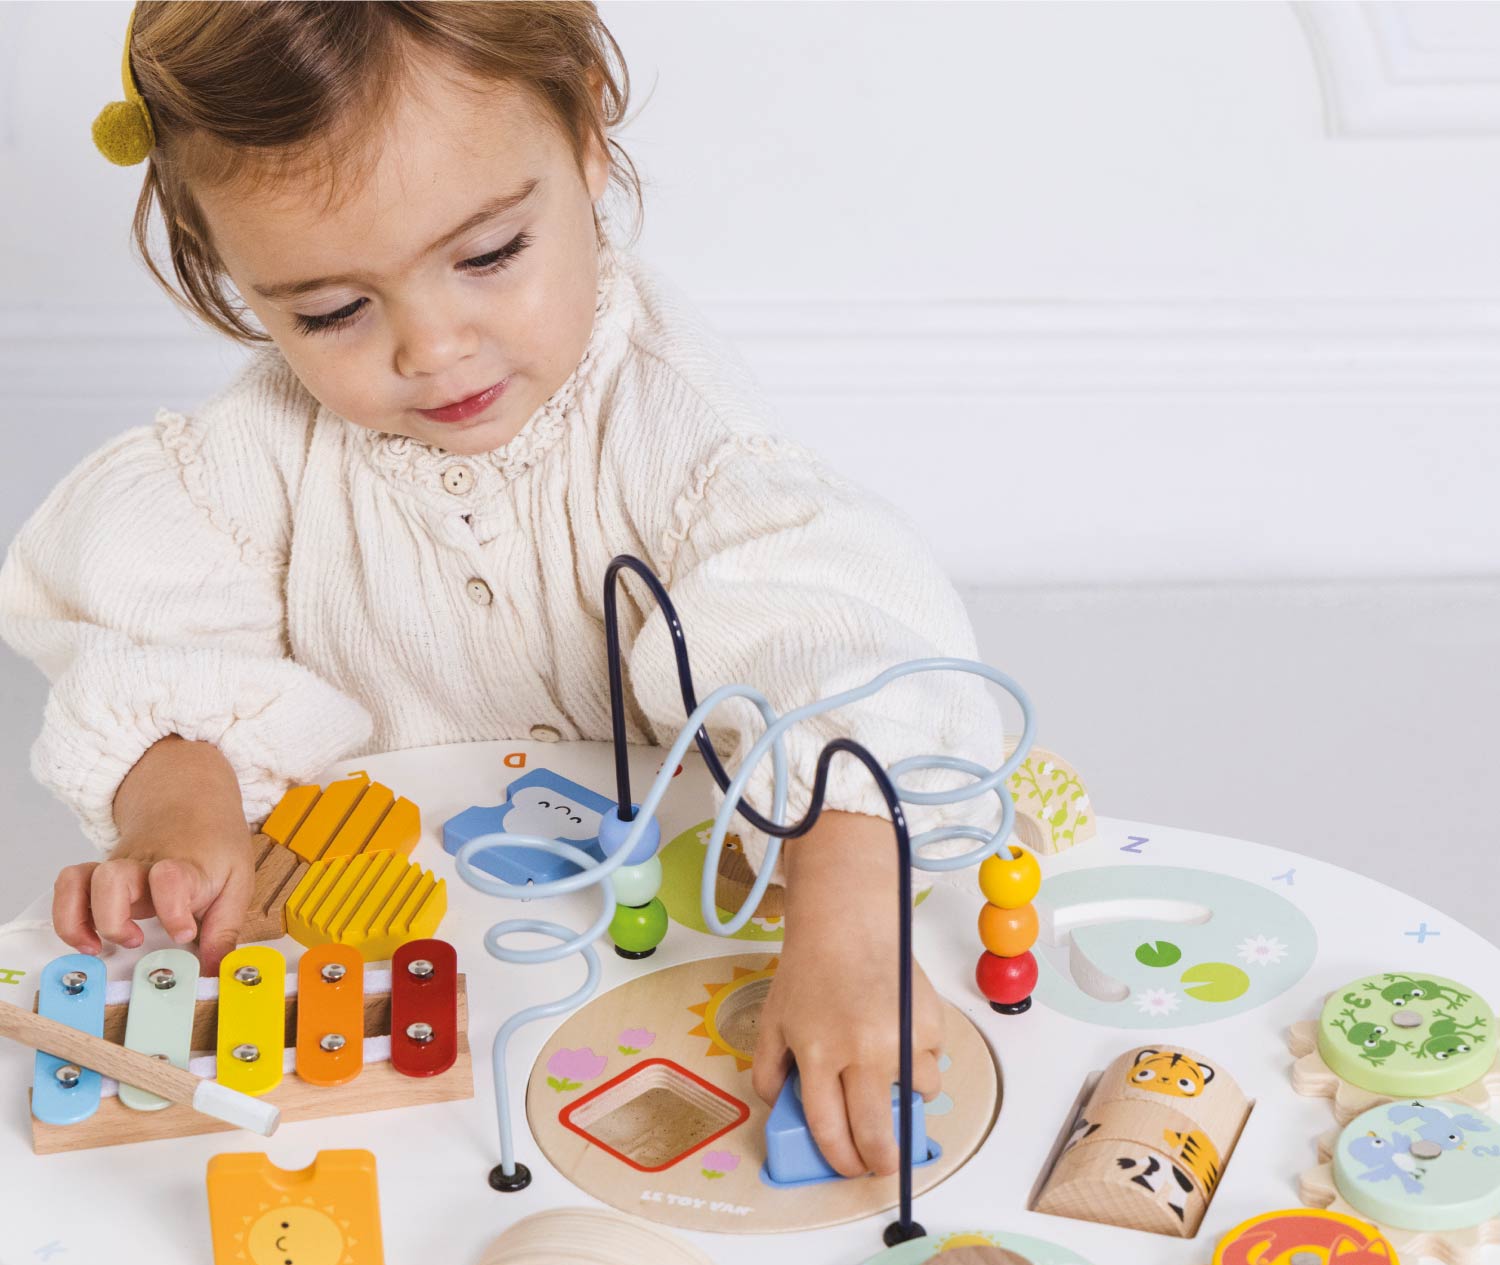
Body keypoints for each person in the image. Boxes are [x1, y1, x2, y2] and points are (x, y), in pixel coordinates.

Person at [0, 1, 1003, 1180]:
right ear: (228, 266)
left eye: (486, 256)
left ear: (586, 131)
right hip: (404, 968)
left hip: (658, 951)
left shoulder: (676, 428)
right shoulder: (245, 460)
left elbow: (830, 644)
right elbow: (151, 641)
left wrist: (849, 919)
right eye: (329, 311)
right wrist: (180, 809)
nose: (432, 347)